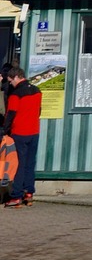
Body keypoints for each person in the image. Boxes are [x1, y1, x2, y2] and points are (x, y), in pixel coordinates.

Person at [1, 67, 42, 206]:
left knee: (19, 164)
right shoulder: (37, 91)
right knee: (30, 163)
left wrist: (5, 131)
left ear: (16, 77)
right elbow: (39, 110)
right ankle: (28, 193)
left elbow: (10, 114)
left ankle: (16, 196)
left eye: (10, 81)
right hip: (34, 132)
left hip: (19, 133)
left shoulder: (16, 94)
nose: (10, 84)